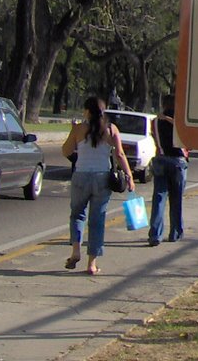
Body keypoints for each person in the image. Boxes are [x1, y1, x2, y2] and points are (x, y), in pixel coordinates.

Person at [61, 96, 135, 275]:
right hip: (102, 178)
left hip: (81, 176)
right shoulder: (111, 129)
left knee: (77, 214)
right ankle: (92, 264)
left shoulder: (79, 129)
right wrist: (130, 177)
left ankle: (76, 250)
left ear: (87, 111)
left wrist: (74, 134)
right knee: (97, 220)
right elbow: (120, 154)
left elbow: (66, 151)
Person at [148, 99, 188, 246]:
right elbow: (184, 135)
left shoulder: (155, 122)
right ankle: (175, 232)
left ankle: (155, 234)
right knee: (176, 199)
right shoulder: (180, 123)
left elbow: (154, 136)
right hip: (178, 160)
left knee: (159, 198)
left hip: (161, 158)